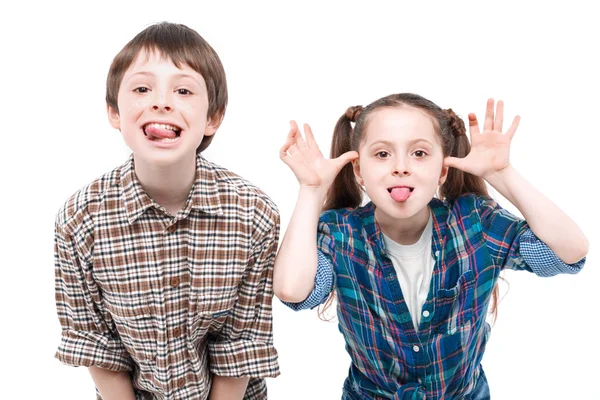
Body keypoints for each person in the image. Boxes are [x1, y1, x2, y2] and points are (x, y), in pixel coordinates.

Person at [274, 93, 588, 399]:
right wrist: (311, 191)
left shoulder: (473, 222)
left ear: (442, 169)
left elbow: (570, 250)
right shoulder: (341, 232)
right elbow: (293, 290)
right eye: (382, 154)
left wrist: (500, 173)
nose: (400, 167)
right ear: (359, 170)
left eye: (419, 153)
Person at [54, 22, 280, 400]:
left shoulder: (253, 214)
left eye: (183, 90)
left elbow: (241, 344)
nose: (162, 101)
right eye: (142, 88)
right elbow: (96, 343)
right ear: (114, 112)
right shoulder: (80, 220)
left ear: (213, 117)